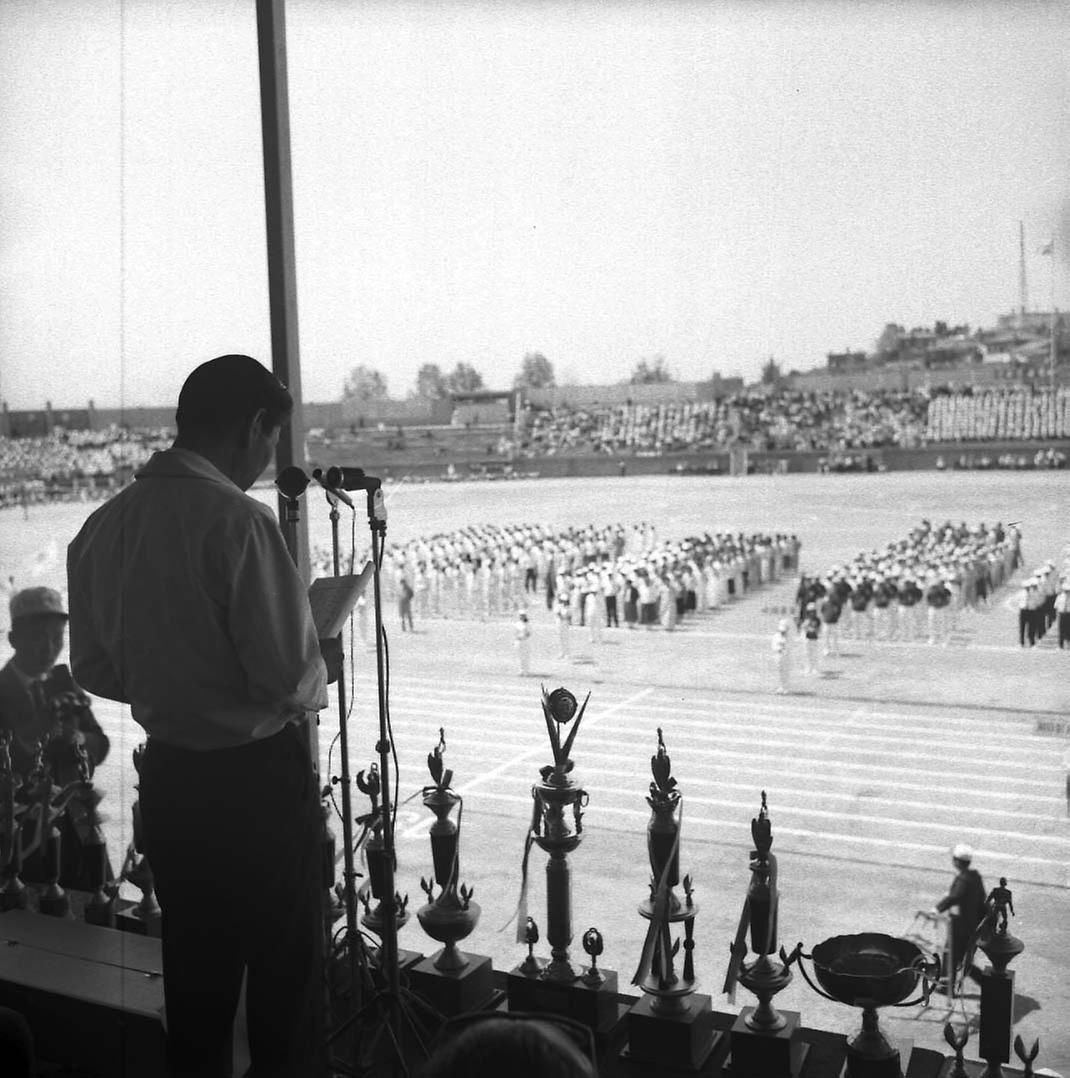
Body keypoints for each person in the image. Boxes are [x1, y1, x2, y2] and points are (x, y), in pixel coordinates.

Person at [67, 355, 341, 1078]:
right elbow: (288, 678)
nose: (263, 462)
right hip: (254, 786)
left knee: (196, 982)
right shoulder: (239, 524)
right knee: (285, 985)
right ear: (255, 426)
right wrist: (321, 665)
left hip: (173, 783)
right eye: (269, 441)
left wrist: (179, 683)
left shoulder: (102, 526)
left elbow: (94, 669)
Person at [0, 586, 111, 890]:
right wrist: (33, 733)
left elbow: (100, 744)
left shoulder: (64, 682)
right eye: (38, 637)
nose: (49, 648)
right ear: (13, 639)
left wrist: (78, 739)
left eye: (57, 638)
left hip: (78, 829)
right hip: (22, 843)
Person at [933, 843, 986, 987]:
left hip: (961, 926)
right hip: (973, 923)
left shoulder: (964, 879)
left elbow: (955, 897)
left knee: (950, 954)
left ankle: (946, 986)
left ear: (957, 861)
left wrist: (937, 909)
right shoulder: (975, 877)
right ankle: (985, 982)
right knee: (961, 957)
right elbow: (980, 898)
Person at [771, 619, 791, 694]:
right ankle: (781, 687)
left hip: (786, 657)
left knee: (786, 672)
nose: (783, 632)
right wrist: (779, 649)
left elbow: (790, 647)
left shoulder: (789, 637)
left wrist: (784, 649)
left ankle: (786, 687)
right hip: (778, 656)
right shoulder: (776, 636)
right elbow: (773, 646)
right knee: (779, 672)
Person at [514, 611, 531, 676]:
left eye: (523, 615)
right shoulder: (517, 624)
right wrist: (518, 638)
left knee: (526, 656)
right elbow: (515, 633)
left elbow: (529, 633)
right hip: (518, 641)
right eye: (520, 615)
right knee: (520, 656)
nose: (522, 617)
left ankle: (526, 671)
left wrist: (524, 636)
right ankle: (521, 670)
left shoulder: (527, 624)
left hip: (525, 641)